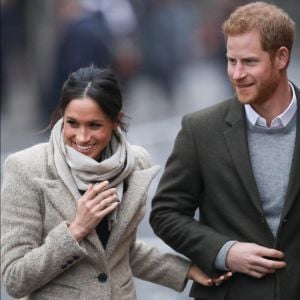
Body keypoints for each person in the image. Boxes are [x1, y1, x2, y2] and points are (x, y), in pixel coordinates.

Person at [1, 65, 231, 299]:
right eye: (72, 123)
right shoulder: (27, 168)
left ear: (116, 121)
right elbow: (14, 278)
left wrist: (186, 270)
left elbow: (121, 251)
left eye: (95, 125)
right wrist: (76, 230)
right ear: (61, 116)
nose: (81, 137)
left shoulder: (134, 163)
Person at [150, 2, 299, 300]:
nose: (237, 73)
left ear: (281, 57)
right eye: (231, 61)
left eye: (249, 62)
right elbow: (166, 213)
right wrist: (224, 251)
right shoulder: (200, 129)